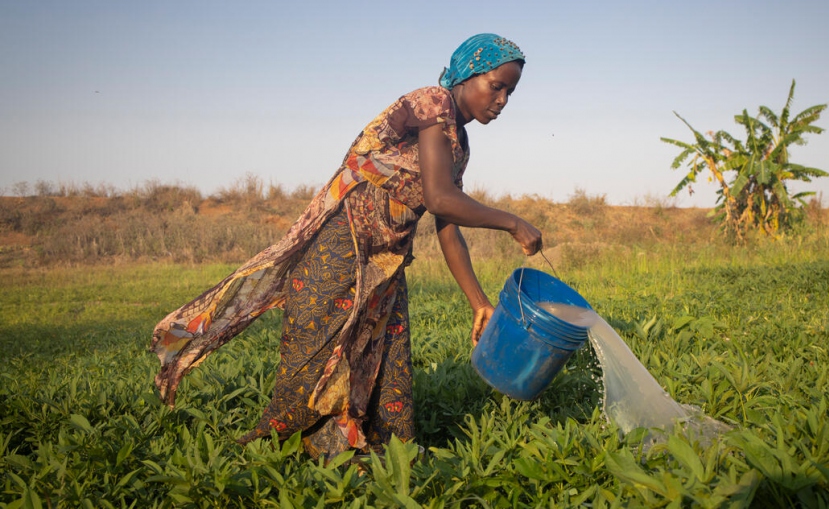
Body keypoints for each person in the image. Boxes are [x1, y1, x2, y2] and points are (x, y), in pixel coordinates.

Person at [151, 33, 543, 461]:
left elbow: (448, 225)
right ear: (467, 74)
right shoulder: (434, 102)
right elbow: (439, 198)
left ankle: (391, 451)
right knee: (319, 348)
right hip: (342, 241)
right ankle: (308, 451)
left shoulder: (458, 144)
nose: (503, 99)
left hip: (384, 257)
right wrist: (512, 222)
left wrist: (478, 302)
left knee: (384, 352)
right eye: (497, 85)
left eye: (511, 91)